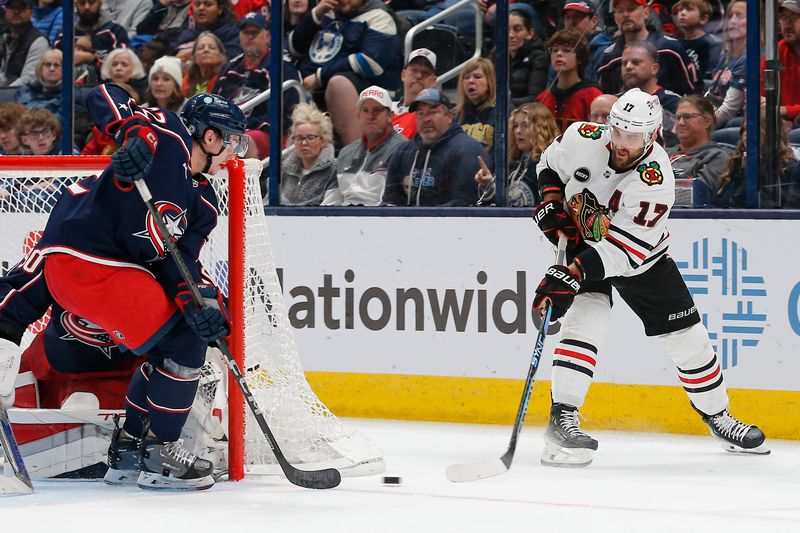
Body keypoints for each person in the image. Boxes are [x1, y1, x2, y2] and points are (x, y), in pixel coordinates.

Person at [531, 87, 768, 468]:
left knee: (689, 339)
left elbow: (626, 250)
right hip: (583, 241)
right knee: (585, 324)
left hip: (640, 259)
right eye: (618, 131)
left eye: (634, 136)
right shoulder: (582, 136)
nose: (622, 143)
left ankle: (718, 416)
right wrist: (550, 201)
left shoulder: (655, 179)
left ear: (654, 133)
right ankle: (562, 417)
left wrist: (570, 274)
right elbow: (548, 164)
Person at [32, 84, 247, 490]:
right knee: (182, 341)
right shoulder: (168, 134)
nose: (236, 152)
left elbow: (180, 265)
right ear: (211, 136)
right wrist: (136, 138)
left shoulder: (203, 204)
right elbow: (103, 94)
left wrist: (200, 303)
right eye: (233, 140)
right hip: (85, 257)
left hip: (112, 275)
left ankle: (131, 449)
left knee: (179, 338)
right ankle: (161, 451)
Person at [289, 0, 402, 146]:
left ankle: (355, 157)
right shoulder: (328, 12)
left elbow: (370, 62)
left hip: (366, 94)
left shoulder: (380, 16)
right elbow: (294, 48)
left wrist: (320, 77)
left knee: (339, 84)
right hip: (314, 94)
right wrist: (316, 14)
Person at [382, 88, 484, 207]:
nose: (426, 119)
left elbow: (463, 206)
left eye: (433, 112)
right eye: (420, 113)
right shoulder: (403, 151)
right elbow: (389, 202)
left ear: (449, 117)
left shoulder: (467, 151)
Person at [212, 12, 301, 137]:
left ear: (268, 36)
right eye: (245, 32)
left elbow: (284, 114)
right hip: (228, 132)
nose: (250, 37)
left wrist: (240, 126)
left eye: (255, 32)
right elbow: (213, 104)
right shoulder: (230, 68)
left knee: (245, 140)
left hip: (267, 135)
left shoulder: (281, 66)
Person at [323, 86, 406, 206]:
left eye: (377, 110)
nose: (371, 116)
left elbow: (394, 204)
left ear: (390, 116)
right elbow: (330, 203)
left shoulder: (403, 149)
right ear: (358, 116)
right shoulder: (346, 153)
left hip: (380, 219)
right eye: (365, 110)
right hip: (342, 219)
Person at [596, 0, 697, 97]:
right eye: (620, 11)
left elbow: (695, 90)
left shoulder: (670, 48)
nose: (626, 14)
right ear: (615, 17)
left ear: (646, 13)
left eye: (632, 9)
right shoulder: (609, 58)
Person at [715, 107, 800, 209]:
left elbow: (780, 208)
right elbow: (723, 205)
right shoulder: (738, 165)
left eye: (752, 129)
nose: (746, 134)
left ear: (771, 133)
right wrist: (743, 173)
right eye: (744, 129)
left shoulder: (790, 169)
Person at [474, 102, 557, 207]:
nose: (518, 131)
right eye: (515, 126)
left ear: (541, 129)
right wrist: (488, 184)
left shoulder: (550, 165)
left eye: (524, 125)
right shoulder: (513, 164)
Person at [667, 95, 731, 203]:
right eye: (678, 118)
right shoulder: (662, 154)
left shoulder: (718, 157)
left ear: (708, 121)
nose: (681, 123)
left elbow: (697, 195)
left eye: (688, 117)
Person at [536, 29, 602, 131]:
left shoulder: (593, 96)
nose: (559, 54)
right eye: (554, 50)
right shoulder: (543, 98)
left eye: (566, 50)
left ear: (580, 58)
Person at [273, 102, 338, 206]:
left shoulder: (334, 170)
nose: (304, 143)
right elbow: (267, 203)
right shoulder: (282, 169)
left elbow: (329, 209)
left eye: (310, 138)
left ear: (323, 140)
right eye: (299, 138)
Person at [705, 0, 746, 127]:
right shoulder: (727, 54)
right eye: (730, 16)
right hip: (710, 112)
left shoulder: (748, 59)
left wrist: (700, 125)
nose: (732, 21)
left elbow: (729, 110)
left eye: (739, 16)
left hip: (731, 122)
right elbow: (711, 91)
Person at [54, 0, 131, 67]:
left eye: (91, 2)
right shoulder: (65, 33)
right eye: (82, 2)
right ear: (76, 4)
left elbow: (122, 66)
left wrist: (92, 58)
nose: (87, 7)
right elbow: (52, 62)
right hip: (70, 83)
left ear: (100, 3)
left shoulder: (115, 31)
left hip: (105, 82)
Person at [761, 0, 800, 123]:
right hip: (779, 120)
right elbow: (762, 91)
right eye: (784, 18)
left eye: (794, 18)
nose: (788, 24)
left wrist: (784, 111)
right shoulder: (775, 52)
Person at [0, 0, 49, 87]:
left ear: (31, 13)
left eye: (21, 8)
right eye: (12, 7)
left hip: (24, 97)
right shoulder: (2, 37)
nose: (16, 12)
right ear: (6, 11)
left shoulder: (39, 41)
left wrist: (4, 94)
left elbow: (29, 79)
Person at [456, 57, 497, 161]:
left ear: (489, 81)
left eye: (477, 77)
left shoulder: (502, 112)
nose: (470, 81)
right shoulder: (456, 115)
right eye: (466, 77)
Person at [391, 48, 437, 140]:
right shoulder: (386, 108)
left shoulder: (434, 116)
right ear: (403, 75)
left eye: (425, 73)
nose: (419, 76)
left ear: (434, 81)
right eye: (414, 70)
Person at [562, 0, 612, 83]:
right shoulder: (559, 52)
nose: (571, 22)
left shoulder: (603, 53)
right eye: (567, 17)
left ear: (594, 22)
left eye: (578, 17)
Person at [174, 0, 241, 62]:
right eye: (197, 4)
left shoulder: (232, 32)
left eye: (208, 5)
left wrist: (194, 53)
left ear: (220, 9)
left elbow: (232, 59)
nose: (201, 8)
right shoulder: (186, 33)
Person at [507, 7, 548, 106]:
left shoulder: (539, 57)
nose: (510, 35)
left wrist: (504, 103)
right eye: (506, 29)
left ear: (530, 33)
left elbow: (535, 98)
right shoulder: (496, 54)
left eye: (517, 29)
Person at [673, 0, 722, 80]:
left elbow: (713, 77)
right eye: (681, 10)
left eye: (689, 10)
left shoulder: (713, 44)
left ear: (703, 19)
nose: (682, 13)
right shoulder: (674, 43)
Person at [14, 48, 62, 118]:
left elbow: (59, 122)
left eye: (56, 65)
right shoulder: (24, 91)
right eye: (48, 65)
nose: (52, 69)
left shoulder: (72, 96)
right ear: (40, 68)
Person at [182, 32, 226, 98]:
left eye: (212, 47)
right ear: (194, 57)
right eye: (200, 48)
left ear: (221, 55)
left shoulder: (226, 79)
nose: (206, 50)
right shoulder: (187, 80)